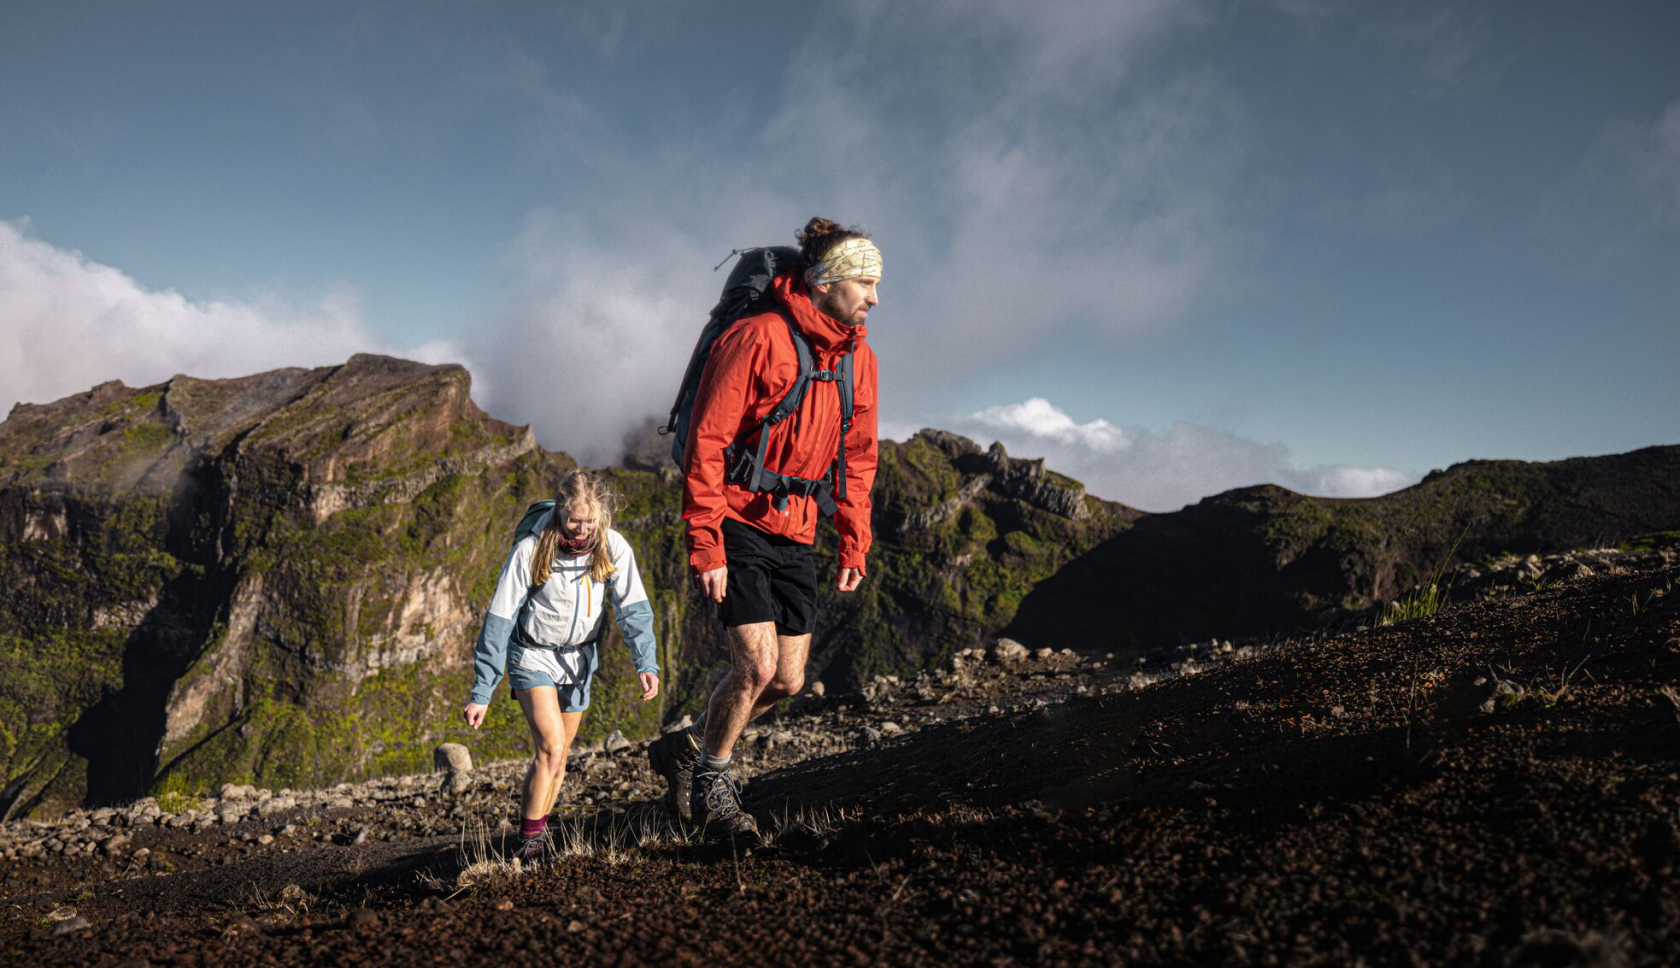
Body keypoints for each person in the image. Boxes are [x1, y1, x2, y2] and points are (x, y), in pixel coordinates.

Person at [648, 217, 881, 837]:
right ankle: (712, 792)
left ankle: (688, 751)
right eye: (865, 282)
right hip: (735, 517)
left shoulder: (860, 361)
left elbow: (858, 456)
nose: (875, 297)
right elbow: (707, 441)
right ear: (828, 281)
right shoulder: (757, 337)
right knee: (753, 666)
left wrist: (853, 538)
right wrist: (706, 542)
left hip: (798, 529)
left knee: (788, 678)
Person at [463, 470, 661, 861]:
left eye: (590, 522)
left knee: (562, 755)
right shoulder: (532, 549)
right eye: (574, 520)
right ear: (559, 512)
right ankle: (529, 844)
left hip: (579, 661)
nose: (582, 530)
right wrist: (482, 690)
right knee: (550, 748)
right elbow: (499, 618)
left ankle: (539, 829)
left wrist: (646, 662)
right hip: (531, 654)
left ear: (601, 515)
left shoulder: (612, 547)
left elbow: (633, 608)